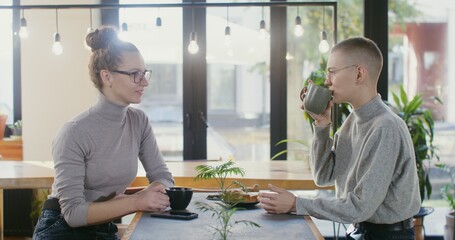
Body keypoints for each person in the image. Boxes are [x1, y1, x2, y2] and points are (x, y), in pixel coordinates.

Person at [259, 37, 421, 240]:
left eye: (332, 71)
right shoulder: (352, 121)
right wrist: (321, 124)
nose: (327, 80)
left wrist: (296, 203)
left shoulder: (385, 127)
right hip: (359, 231)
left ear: (359, 73)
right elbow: (323, 175)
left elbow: (360, 206)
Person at [32, 26, 174, 240]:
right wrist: (136, 201)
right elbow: (73, 214)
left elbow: (163, 177)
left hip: (103, 227)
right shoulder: (74, 132)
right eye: (135, 74)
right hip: (61, 228)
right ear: (107, 77)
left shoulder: (139, 121)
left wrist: (149, 194)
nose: (145, 82)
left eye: (144, 73)